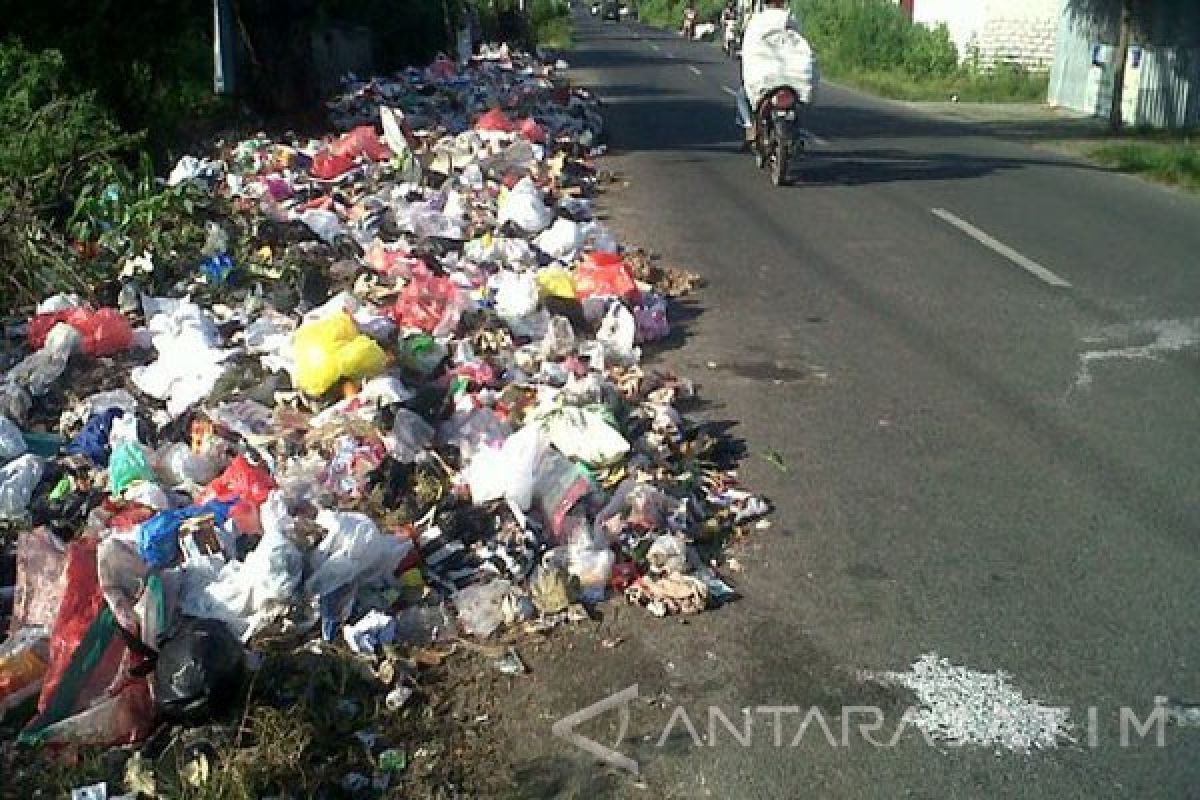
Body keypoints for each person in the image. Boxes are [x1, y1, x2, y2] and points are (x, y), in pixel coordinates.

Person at [735, 0, 801, 138]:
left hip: (765, 77)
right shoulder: (791, 20)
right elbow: (799, 46)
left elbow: (750, 48)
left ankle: (749, 127)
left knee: (742, 95)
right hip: (790, 75)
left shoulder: (757, 21)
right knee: (797, 102)